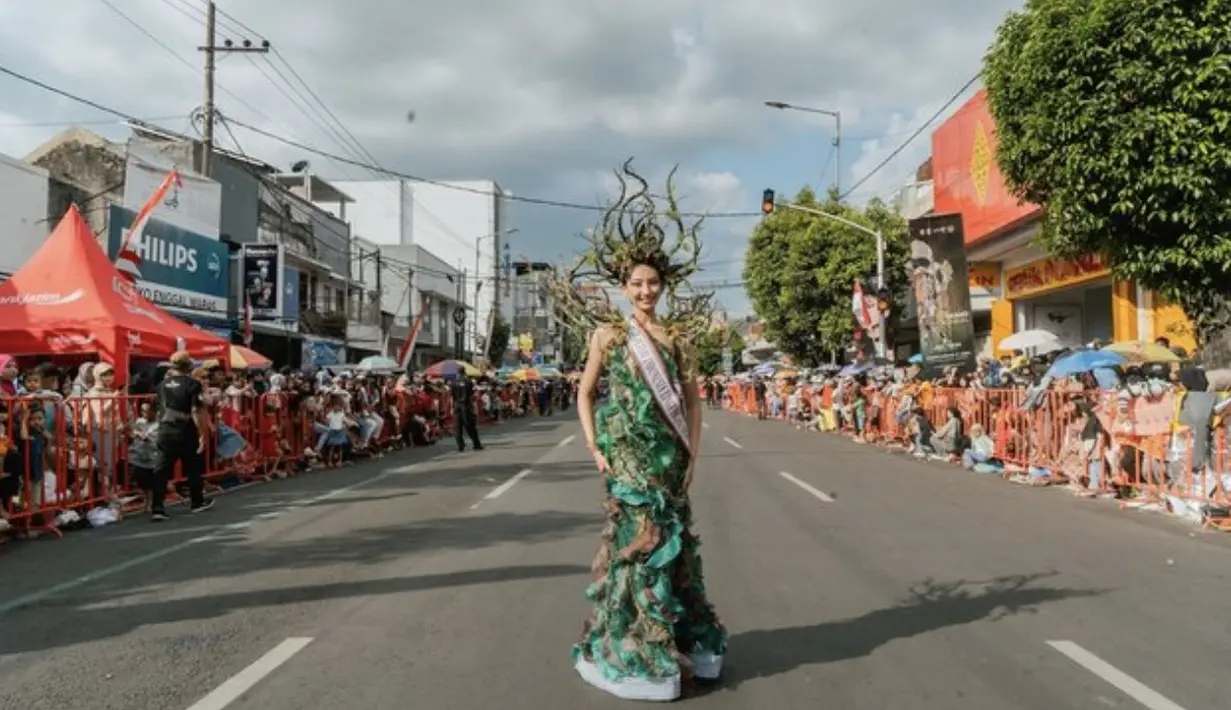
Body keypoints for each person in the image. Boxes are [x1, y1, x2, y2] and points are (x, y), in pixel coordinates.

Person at [562, 161, 727, 702]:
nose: (645, 290)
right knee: (638, 546)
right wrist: (595, 447)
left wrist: (693, 456)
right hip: (628, 460)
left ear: (664, 285)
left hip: (671, 460)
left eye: (653, 282)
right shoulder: (608, 336)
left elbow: (693, 401)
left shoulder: (677, 338)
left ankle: (685, 637)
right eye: (636, 283)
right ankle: (640, 645)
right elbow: (585, 393)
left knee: (677, 547)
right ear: (623, 287)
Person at [151, 351, 213, 521]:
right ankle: (197, 502)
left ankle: (157, 507)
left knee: (162, 469)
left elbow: (158, 408)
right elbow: (196, 410)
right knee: (193, 466)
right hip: (185, 429)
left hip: (165, 429)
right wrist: (201, 433)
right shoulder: (193, 384)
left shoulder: (162, 384)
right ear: (189, 366)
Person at [452, 375, 483, 452]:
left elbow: (453, 395)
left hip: (457, 406)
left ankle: (460, 445)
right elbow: (471, 394)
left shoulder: (454, 382)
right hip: (466, 406)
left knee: (458, 428)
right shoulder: (468, 381)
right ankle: (476, 444)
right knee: (470, 426)